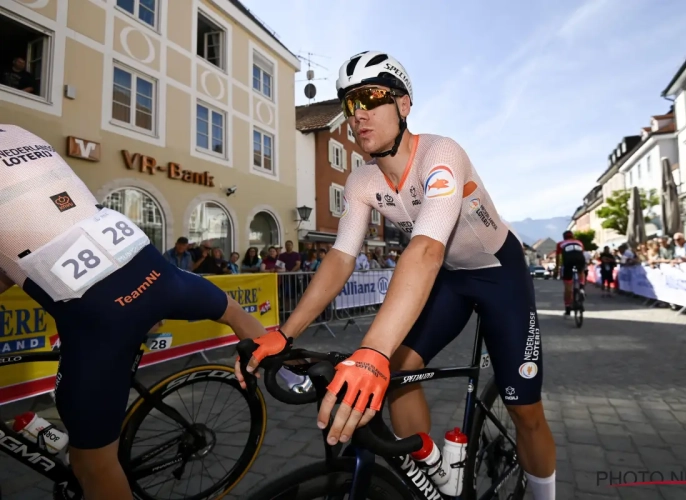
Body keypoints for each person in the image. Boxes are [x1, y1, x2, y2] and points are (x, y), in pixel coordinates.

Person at [235, 51, 556, 499]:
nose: (358, 113)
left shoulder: (440, 154)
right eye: (349, 104)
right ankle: (432, 481)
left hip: (498, 272)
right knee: (401, 375)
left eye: (370, 97)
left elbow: (424, 249)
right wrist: (285, 333)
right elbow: (341, 258)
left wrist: (370, 353)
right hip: (450, 278)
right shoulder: (362, 181)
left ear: (404, 105)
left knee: (525, 410)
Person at [0, 125, 268, 500]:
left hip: (102, 319)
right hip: (159, 277)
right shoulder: (16, 131)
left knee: (92, 464)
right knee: (235, 312)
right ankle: (280, 369)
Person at [554, 230, 587, 315]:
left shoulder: (560, 243)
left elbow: (558, 257)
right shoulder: (579, 242)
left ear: (564, 237)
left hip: (568, 261)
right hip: (580, 259)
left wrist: (557, 269)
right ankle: (582, 287)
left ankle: (568, 308)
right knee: (581, 270)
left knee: (568, 286)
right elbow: (581, 254)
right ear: (573, 236)